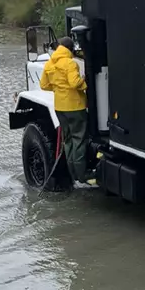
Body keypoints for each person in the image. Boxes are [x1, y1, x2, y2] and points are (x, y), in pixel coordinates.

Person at [39, 37, 94, 186]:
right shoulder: (70, 63)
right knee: (79, 140)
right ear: (70, 49)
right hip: (75, 107)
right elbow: (75, 83)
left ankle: (73, 174)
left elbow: (44, 85)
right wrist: (85, 82)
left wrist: (58, 88)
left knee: (68, 140)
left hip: (59, 108)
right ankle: (83, 174)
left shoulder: (50, 64)